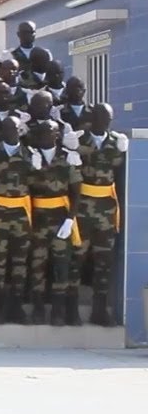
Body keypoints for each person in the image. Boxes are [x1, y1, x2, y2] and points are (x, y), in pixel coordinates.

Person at [27, 120, 83, 326]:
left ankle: (58, 311)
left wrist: (70, 219)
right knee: (37, 265)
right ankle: (38, 308)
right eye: (41, 132)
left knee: (62, 266)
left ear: (57, 135)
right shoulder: (30, 156)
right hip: (38, 218)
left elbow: (76, 192)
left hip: (60, 218)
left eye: (49, 132)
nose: (45, 135)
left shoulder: (68, 157)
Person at [75, 104, 126, 326]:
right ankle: (70, 307)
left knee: (104, 260)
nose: (105, 122)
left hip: (106, 209)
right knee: (76, 257)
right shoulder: (78, 141)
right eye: (102, 117)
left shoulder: (116, 143)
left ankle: (100, 309)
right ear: (92, 118)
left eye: (109, 118)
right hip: (83, 207)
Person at [0, 118, 36, 323]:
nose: (11, 132)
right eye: (6, 128)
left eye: (14, 128)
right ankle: (0, 305)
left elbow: (35, 182)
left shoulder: (30, 154)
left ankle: (17, 305)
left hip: (21, 213)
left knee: (20, 260)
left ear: (20, 130)